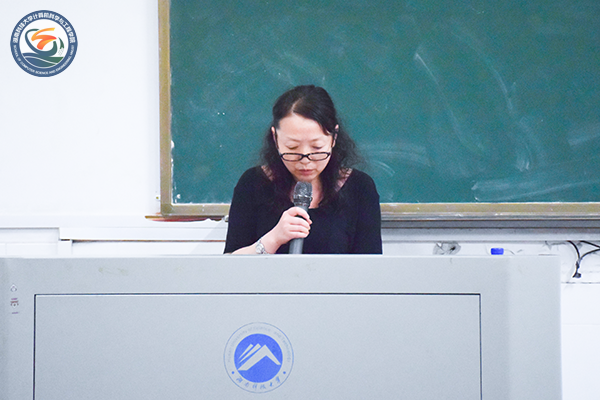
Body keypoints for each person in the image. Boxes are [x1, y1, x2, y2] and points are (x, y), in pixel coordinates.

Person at [224, 85, 382, 254]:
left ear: (334, 137)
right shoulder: (253, 183)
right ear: (275, 138)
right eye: (292, 148)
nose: (305, 161)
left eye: (317, 147)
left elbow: (371, 265)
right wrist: (273, 239)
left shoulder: (360, 188)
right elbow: (228, 264)